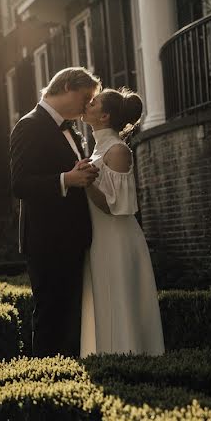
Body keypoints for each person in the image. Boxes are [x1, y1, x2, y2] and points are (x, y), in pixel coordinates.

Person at [10, 67, 101, 357]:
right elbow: (19, 184)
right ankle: (48, 382)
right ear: (66, 88)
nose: (87, 105)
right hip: (46, 240)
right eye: (85, 97)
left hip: (74, 238)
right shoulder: (29, 125)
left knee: (72, 319)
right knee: (50, 317)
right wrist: (67, 179)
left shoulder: (72, 129)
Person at [79, 88, 165, 357]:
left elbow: (114, 206)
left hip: (117, 239)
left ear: (104, 116)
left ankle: (131, 359)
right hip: (100, 240)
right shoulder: (97, 148)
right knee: (104, 302)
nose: (87, 103)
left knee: (120, 301)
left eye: (93, 102)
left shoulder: (118, 150)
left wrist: (85, 181)